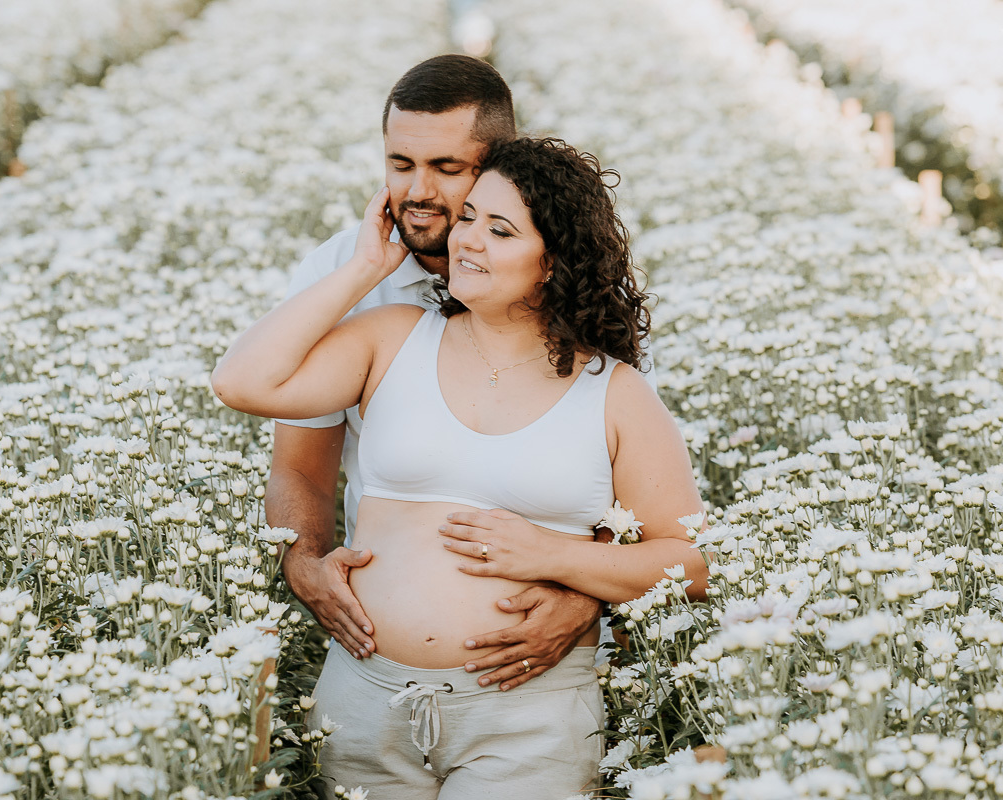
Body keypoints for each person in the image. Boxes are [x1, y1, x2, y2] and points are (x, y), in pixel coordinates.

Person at [212, 136, 708, 798]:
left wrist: (553, 557)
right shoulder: (391, 336)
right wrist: (364, 267)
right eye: (468, 217)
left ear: (553, 262)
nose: (467, 239)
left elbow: (689, 564)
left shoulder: (614, 391)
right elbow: (242, 382)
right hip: (363, 702)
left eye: (500, 230)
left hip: (525, 715)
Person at [267, 55, 649, 695]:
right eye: (399, 164)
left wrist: (587, 597)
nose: (417, 191)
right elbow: (298, 463)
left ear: (501, 165)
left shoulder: (577, 279)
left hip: (540, 666)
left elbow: (626, 483)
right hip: (378, 666)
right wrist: (304, 565)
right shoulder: (344, 274)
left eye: (447, 169)